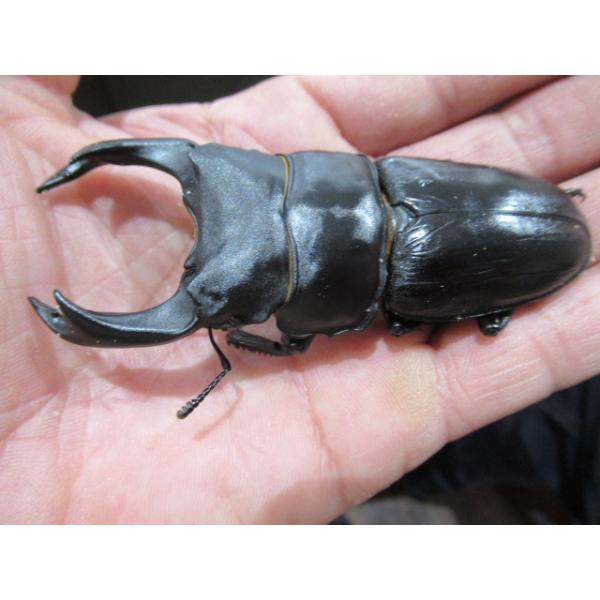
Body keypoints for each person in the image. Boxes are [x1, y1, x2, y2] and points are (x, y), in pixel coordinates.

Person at [0, 75, 598, 524]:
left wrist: (243, 335)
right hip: (524, 212)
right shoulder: (395, 180)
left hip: (535, 238)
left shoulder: (392, 205)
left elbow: (292, 345)